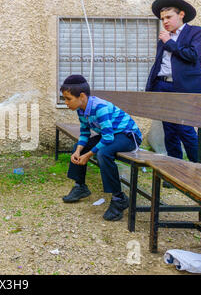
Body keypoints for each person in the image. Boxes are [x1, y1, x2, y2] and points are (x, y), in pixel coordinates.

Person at [60, 75, 143, 221]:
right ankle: (80, 187)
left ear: (82, 96)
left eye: (68, 99)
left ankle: (119, 199)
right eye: (64, 99)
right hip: (111, 134)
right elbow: (85, 133)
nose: (66, 102)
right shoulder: (81, 109)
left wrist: (88, 155)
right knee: (77, 148)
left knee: (103, 153)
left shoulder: (100, 107)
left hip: (128, 136)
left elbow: (108, 138)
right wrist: (79, 151)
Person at [146, 0, 201, 185]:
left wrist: (169, 42)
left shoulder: (196, 32)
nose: (165, 21)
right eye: (162, 18)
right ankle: (175, 171)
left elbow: (193, 56)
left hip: (184, 88)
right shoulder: (164, 37)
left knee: (185, 128)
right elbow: (160, 63)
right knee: (170, 130)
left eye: (168, 17)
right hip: (163, 86)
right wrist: (152, 86)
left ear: (181, 15)